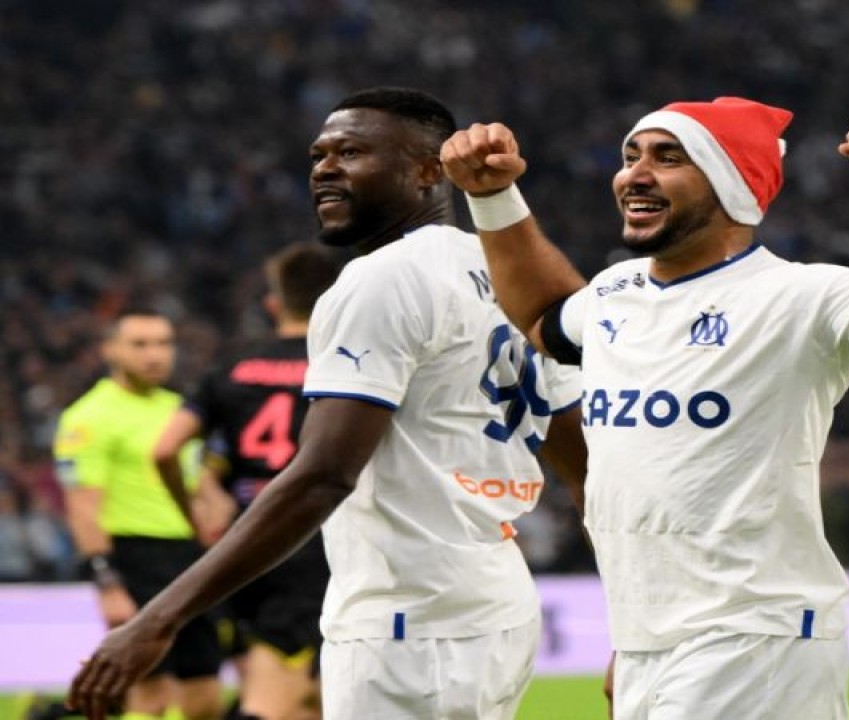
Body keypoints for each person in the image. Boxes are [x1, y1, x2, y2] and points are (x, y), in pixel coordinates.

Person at [441, 98, 849, 719]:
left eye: (668, 157)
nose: (635, 173)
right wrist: (493, 198)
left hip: (756, 642)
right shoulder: (613, 295)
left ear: (730, 181)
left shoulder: (803, 298)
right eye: (631, 156)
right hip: (652, 640)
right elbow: (542, 318)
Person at [68, 87, 587, 720]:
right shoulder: (506, 270)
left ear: (429, 171)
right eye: (319, 154)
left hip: (407, 614)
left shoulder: (383, 279)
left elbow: (322, 476)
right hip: (495, 598)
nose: (324, 167)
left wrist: (159, 618)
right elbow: (580, 454)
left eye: (353, 151)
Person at [151, 242, 341, 720]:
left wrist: (193, 510)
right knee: (302, 691)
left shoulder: (230, 370)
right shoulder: (343, 367)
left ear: (273, 303)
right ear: (335, 299)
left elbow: (166, 449)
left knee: (282, 683)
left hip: (248, 540)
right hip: (320, 539)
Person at [54, 308, 224, 720]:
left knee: (205, 688)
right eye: (140, 344)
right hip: (135, 557)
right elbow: (82, 508)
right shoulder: (88, 418)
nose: (155, 355)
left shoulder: (179, 409)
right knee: (149, 690)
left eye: (164, 344)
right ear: (109, 350)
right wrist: (107, 583)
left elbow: (198, 481)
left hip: (190, 557)